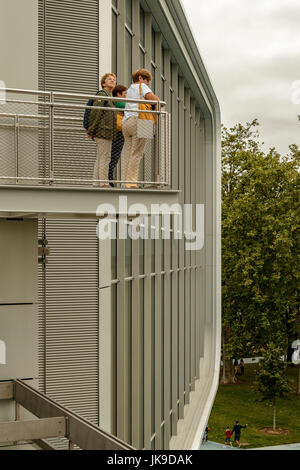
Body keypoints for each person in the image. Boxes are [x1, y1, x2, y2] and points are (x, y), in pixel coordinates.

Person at [122, 69, 160, 189]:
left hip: (126, 122)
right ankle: (131, 183)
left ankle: (126, 181)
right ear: (140, 78)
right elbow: (155, 100)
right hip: (142, 120)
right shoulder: (142, 86)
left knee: (128, 154)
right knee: (137, 153)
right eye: (146, 79)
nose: (148, 83)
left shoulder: (129, 89)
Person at [88, 73, 117, 188]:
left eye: (114, 80)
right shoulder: (102, 94)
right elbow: (96, 112)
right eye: (109, 79)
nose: (113, 81)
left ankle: (97, 182)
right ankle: (104, 182)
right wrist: (91, 130)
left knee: (101, 157)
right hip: (103, 131)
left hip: (105, 131)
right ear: (103, 83)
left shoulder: (109, 96)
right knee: (105, 157)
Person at [108, 85, 128, 187]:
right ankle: (109, 180)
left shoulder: (118, 103)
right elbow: (127, 106)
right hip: (117, 131)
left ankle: (109, 179)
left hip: (119, 131)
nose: (127, 96)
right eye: (125, 94)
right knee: (113, 157)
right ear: (119, 94)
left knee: (113, 157)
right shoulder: (118, 101)